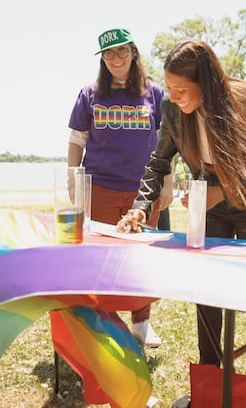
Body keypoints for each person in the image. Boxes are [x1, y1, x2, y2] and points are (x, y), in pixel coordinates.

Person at [117, 39, 246, 379]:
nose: (174, 96)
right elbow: (158, 162)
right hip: (209, 204)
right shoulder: (171, 108)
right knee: (208, 292)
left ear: (205, 85)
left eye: (181, 89)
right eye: (169, 88)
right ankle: (211, 378)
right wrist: (140, 207)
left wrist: (220, 193)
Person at [67, 28, 172, 347]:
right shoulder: (90, 94)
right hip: (100, 186)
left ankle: (141, 324)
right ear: (102, 59)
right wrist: (74, 179)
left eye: (122, 51)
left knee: (141, 258)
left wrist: (167, 181)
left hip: (144, 191)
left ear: (134, 53)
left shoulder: (154, 93)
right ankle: (103, 324)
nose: (116, 59)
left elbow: (167, 140)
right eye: (109, 54)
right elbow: (76, 140)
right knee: (102, 258)